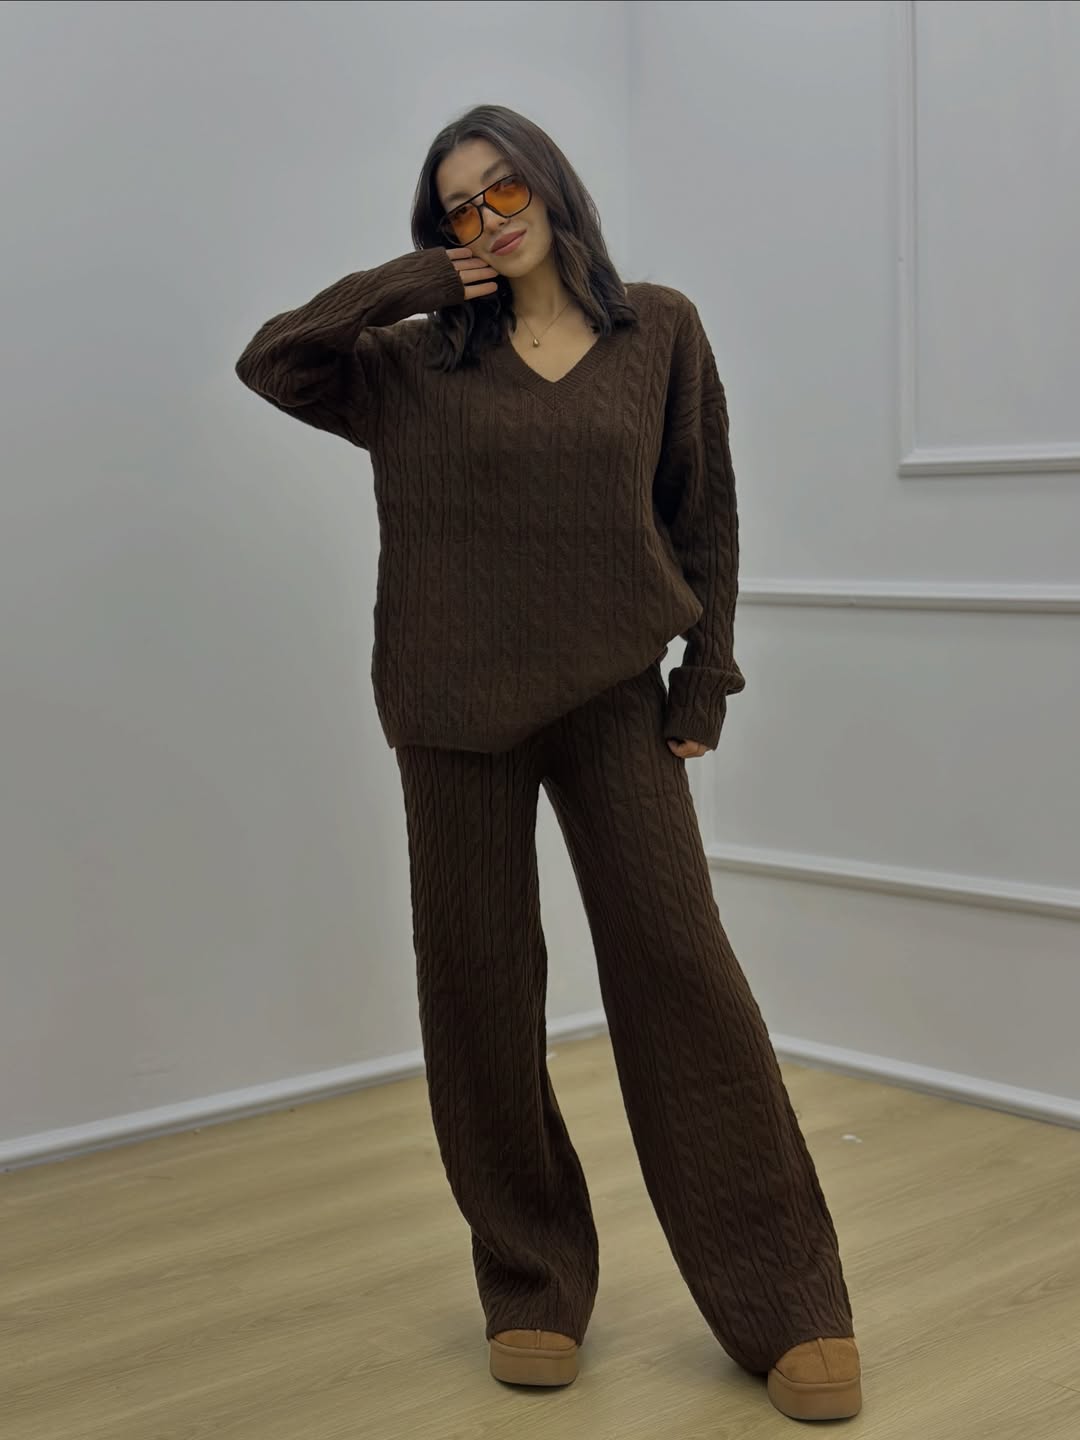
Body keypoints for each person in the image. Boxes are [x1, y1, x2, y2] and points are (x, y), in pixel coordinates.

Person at [235, 103, 861, 1422]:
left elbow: (704, 512)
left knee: (683, 976)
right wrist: (410, 282)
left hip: (617, 699)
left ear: (551, 184)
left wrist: (707, 673)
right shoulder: (408, 363)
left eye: (504, 188)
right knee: (479, 996)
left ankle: (786, 1300)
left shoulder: (661, 331)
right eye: (457, 206)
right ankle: (531, 1280)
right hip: (451, 709)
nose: (488, 219)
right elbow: (274, 361)